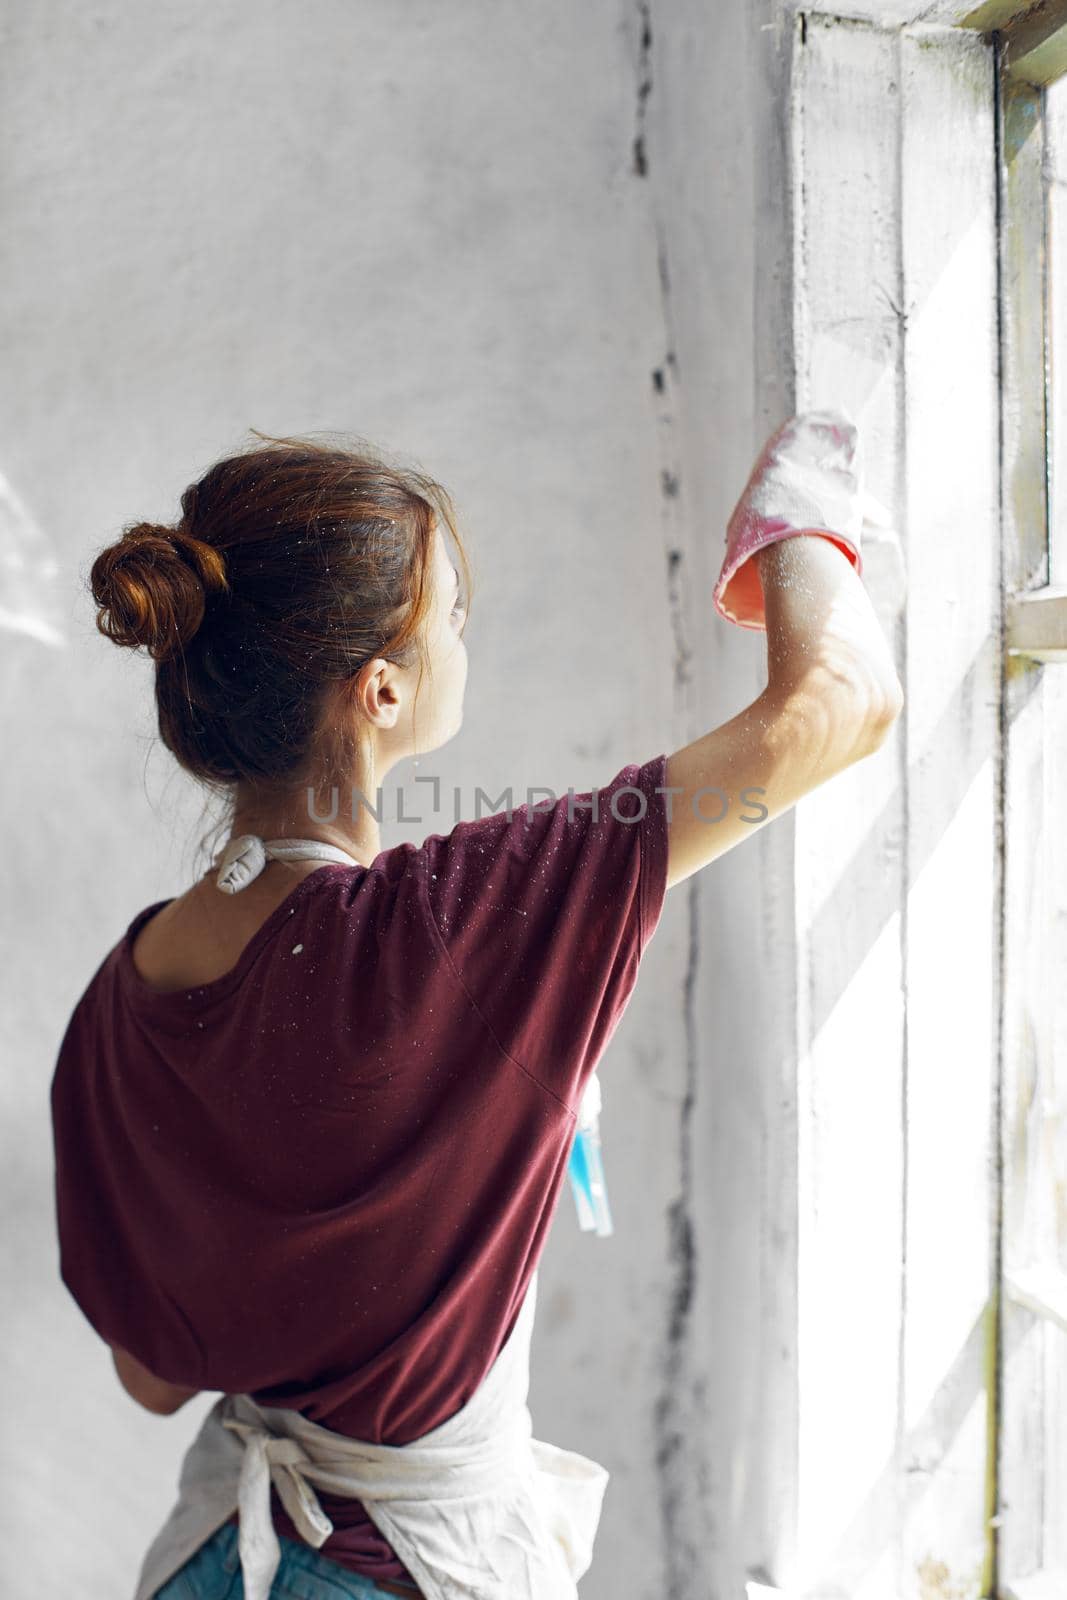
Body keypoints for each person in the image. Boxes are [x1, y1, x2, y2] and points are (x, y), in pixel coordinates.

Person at [49, 419, 902, 1600]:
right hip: (405, 1570)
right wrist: (794, 521)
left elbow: (150, 1375)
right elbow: (841, 702)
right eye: (451, 614)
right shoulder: (456, 923)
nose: (465, 636)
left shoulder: (126, 988)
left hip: (206, 1562)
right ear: (383, 689)